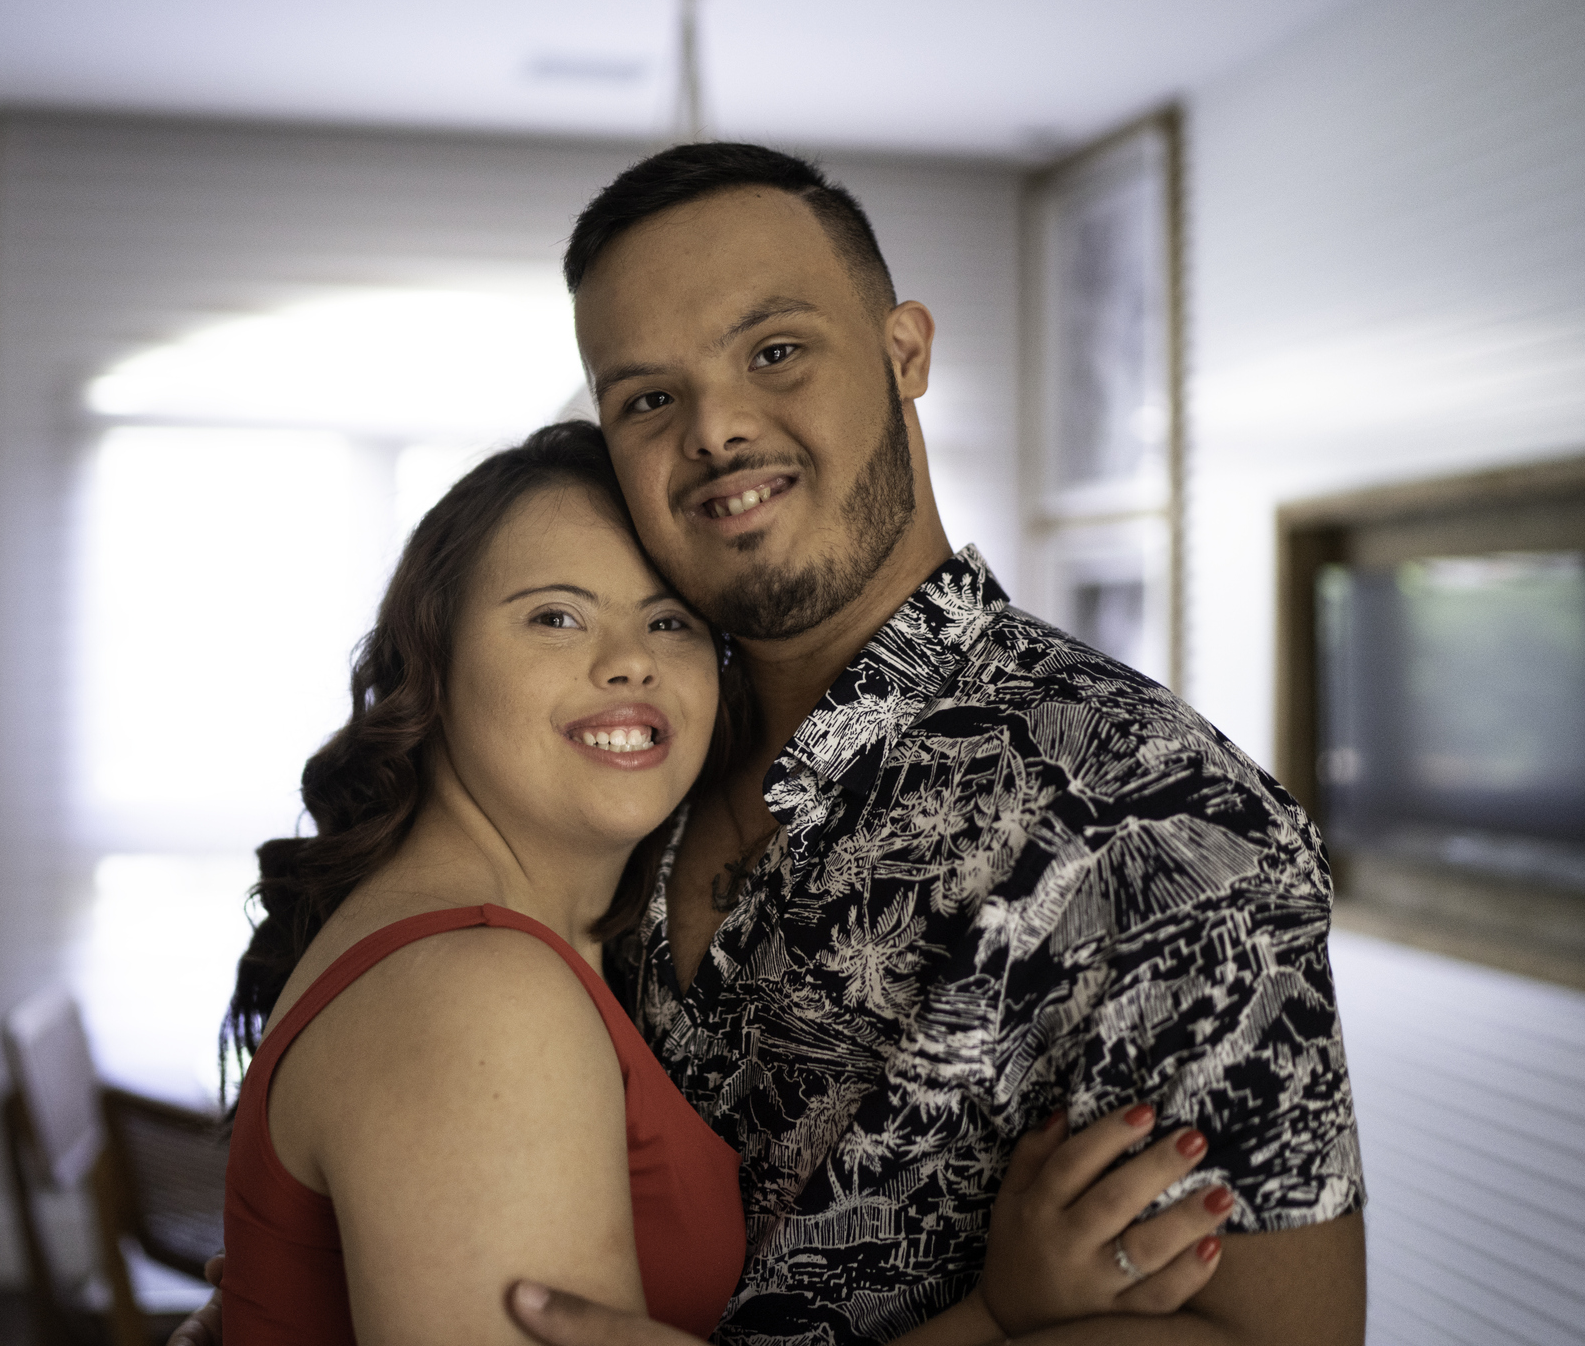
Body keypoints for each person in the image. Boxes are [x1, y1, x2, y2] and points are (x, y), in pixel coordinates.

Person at [495, 143, 1367, 1346]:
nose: (716, 429)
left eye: (774, 350)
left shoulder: (1153, 811)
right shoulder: (628, 746)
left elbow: (1268, 1340)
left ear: (904, 350)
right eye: (647, 398)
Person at [207, 425, 1238, 1345]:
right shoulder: (479, 995)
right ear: (427, 664)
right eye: (555, 617)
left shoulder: (542, 950)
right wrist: (995, 1319)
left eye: (669, 623)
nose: (627, 662)